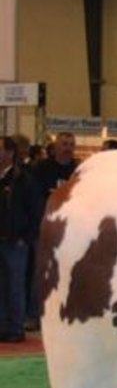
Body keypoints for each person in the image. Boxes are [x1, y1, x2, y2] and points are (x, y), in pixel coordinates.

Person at [11, 130, 78, 328]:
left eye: (70, 145)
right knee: (40, 273)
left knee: (69, 273)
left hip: (72, 230)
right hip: (45, 228)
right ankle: (34, 314)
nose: (67, 148)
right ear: (55, 147)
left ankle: (66, 313)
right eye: (64, 144)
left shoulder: (78, 170)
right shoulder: (40, 169)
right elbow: (32, 200)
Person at [1, 135, 26, 343]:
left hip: (14, 241)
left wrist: (24, 236)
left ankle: (16, 329)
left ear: (9, 153)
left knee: (15, 285)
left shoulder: (22, 178)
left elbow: (33, 210)